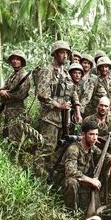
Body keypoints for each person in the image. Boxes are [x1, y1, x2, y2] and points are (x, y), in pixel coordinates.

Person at [36, 40, 82, 173]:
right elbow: (42, 93)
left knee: (59, 149)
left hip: (63, 120)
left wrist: (77, 111)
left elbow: (73, 92)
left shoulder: (66, 73)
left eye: (67, 53)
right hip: (49, 118)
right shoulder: (47, 71)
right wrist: (58, 105)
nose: (65, 56)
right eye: (62, 53)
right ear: (55, 54)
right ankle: (38, 178)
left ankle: (50, 175)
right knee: (46, 148)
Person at [63, 121, 111, 212]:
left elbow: (105, 156)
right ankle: (71, 212)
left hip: (84, 182)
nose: (95, 138)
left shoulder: (92, 147)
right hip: (71, 183)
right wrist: (91, 180)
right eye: (91, 134)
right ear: (83, 134)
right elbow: (70, 172)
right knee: (71, 182)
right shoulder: (73, 149)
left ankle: (110, 202)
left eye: (96, 134)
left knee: (109, 168)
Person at [0, 50, 30, 142]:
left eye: (18, 59)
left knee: (15, 139)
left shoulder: (24, 76)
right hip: (8, 112)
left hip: (17, 113)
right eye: (13, 59)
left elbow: (20, 95)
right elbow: (2, 89)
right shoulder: (12, 75)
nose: (15, 61)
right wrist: (1, 91)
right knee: (6, 137)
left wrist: (4, 94)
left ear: (22, 61)